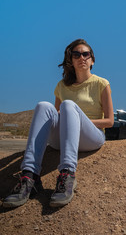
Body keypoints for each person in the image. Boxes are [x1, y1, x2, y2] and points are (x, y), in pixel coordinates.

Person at [3, 39, 114, 208]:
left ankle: (67, 175)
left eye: (86, 54)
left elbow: (110, 121)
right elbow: (54, 118)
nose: (81, 57)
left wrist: (76, 119)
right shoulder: (61, 86)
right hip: (63, 139)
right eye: (76, 54)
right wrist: (67, 117)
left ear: (92, 60)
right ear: (71, 60)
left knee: (68, 105)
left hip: (91, 137)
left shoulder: (101, 83)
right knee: (43, 106)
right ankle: (29, 177)